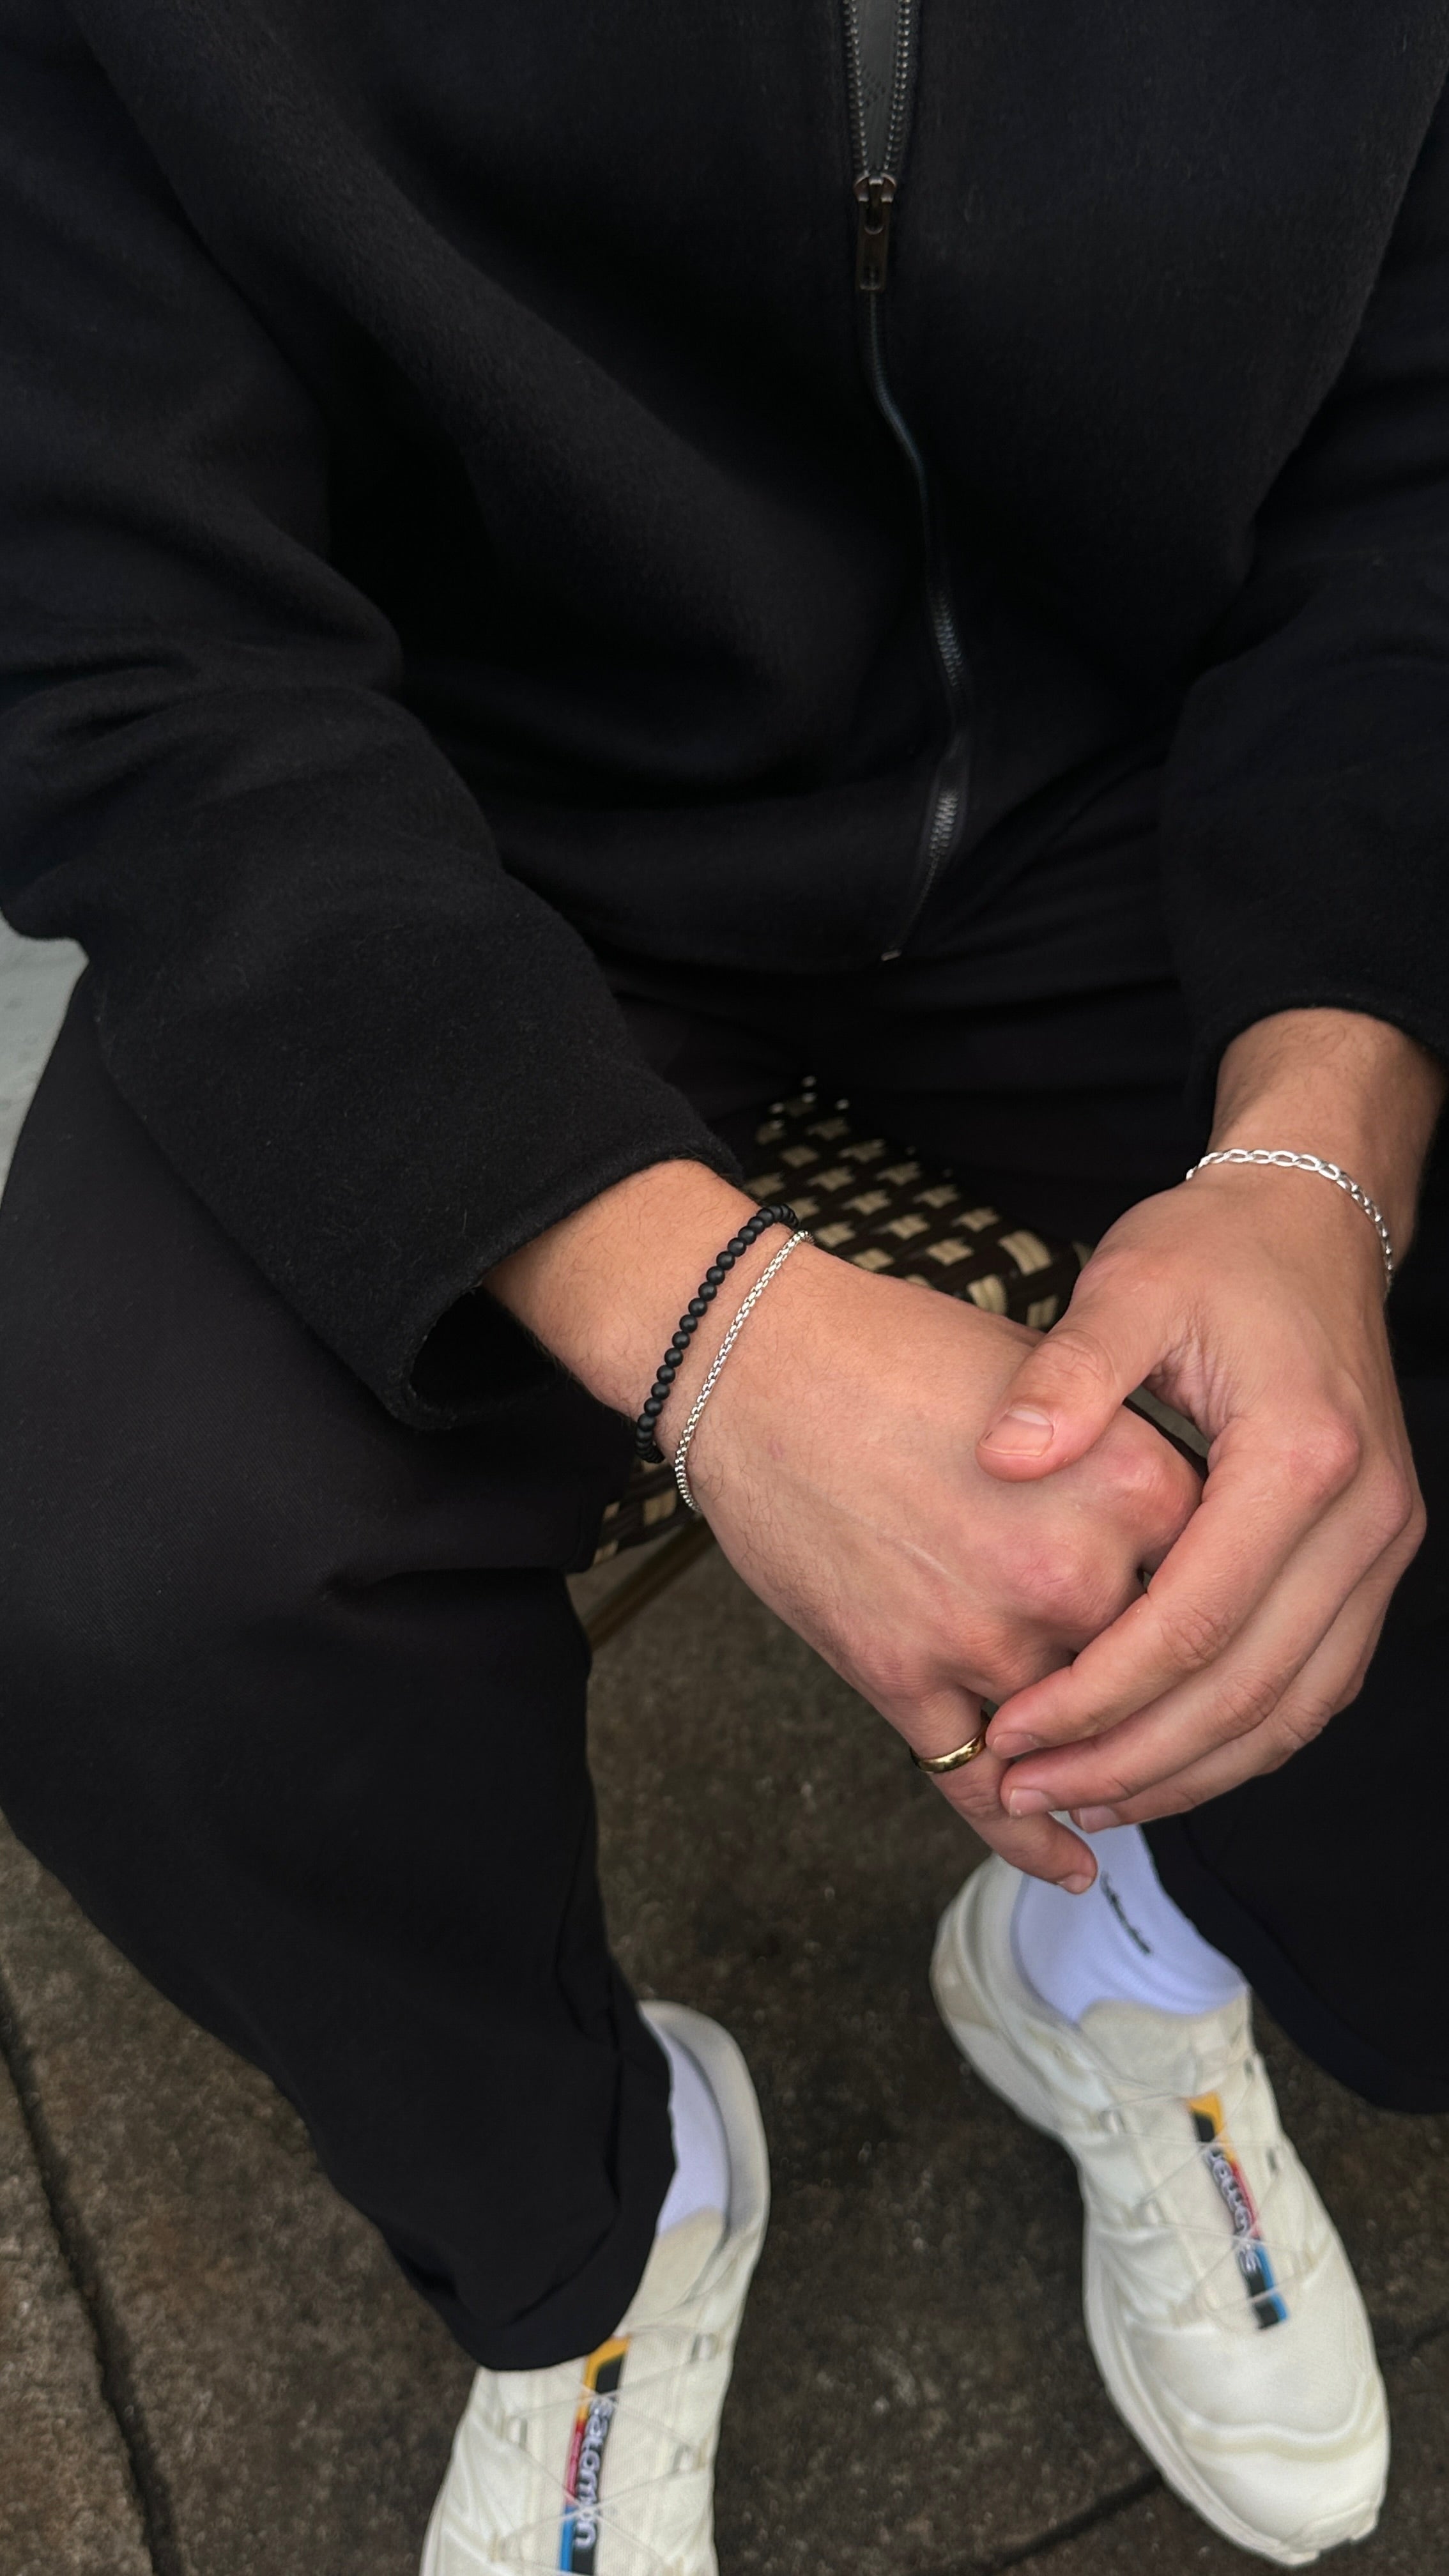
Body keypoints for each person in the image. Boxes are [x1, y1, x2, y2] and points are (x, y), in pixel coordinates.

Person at [1, 3, 1446, 2565]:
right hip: (439, 813)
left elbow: (1421, 468)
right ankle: (594, 2224)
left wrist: (1320, 1146)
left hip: (1169, 739)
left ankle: (1125, 1936)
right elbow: (107, 622)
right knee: (131, 1575)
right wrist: (710, 1326)